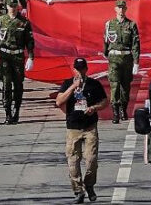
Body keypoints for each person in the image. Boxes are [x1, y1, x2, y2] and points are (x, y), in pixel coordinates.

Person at [56, 58, 108, 204]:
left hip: (89, 126)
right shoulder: (67, 84)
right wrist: (73, 87)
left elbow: (104, 101)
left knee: (91, 159)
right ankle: (78, 191)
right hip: (73, 128)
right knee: (73, 161)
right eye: (77, 69)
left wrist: (94, 108)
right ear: (73, 70)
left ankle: (89, 184)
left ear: (86, 69)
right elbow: (59, 101)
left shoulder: (94, 84)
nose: (79, 72)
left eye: (82, 69)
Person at [0, 0, 35, 124]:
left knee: (18, 85)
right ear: (7, 7)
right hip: (5, 56)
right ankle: (7, 113)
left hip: (18, 56)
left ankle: (16, 110)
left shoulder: (24, 22)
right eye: (10, 6)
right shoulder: (1, 20)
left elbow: (30, 41)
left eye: (14, 6)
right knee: (6, 85)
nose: (13, 9)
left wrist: (31, 57)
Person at [103, 0, 140, 124]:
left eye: (123, 8)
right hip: (114, 58)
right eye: (119, 8)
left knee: (125, 86)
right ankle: (115, 112)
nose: (121, 10)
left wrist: (136, 62)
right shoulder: (109, 24)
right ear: (115, 9)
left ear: (126, 9)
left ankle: (123, 109)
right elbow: (106, 42)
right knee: (115, 85)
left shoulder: (131, 25)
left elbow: (135, 44)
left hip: (127, 58)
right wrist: (106, 54)